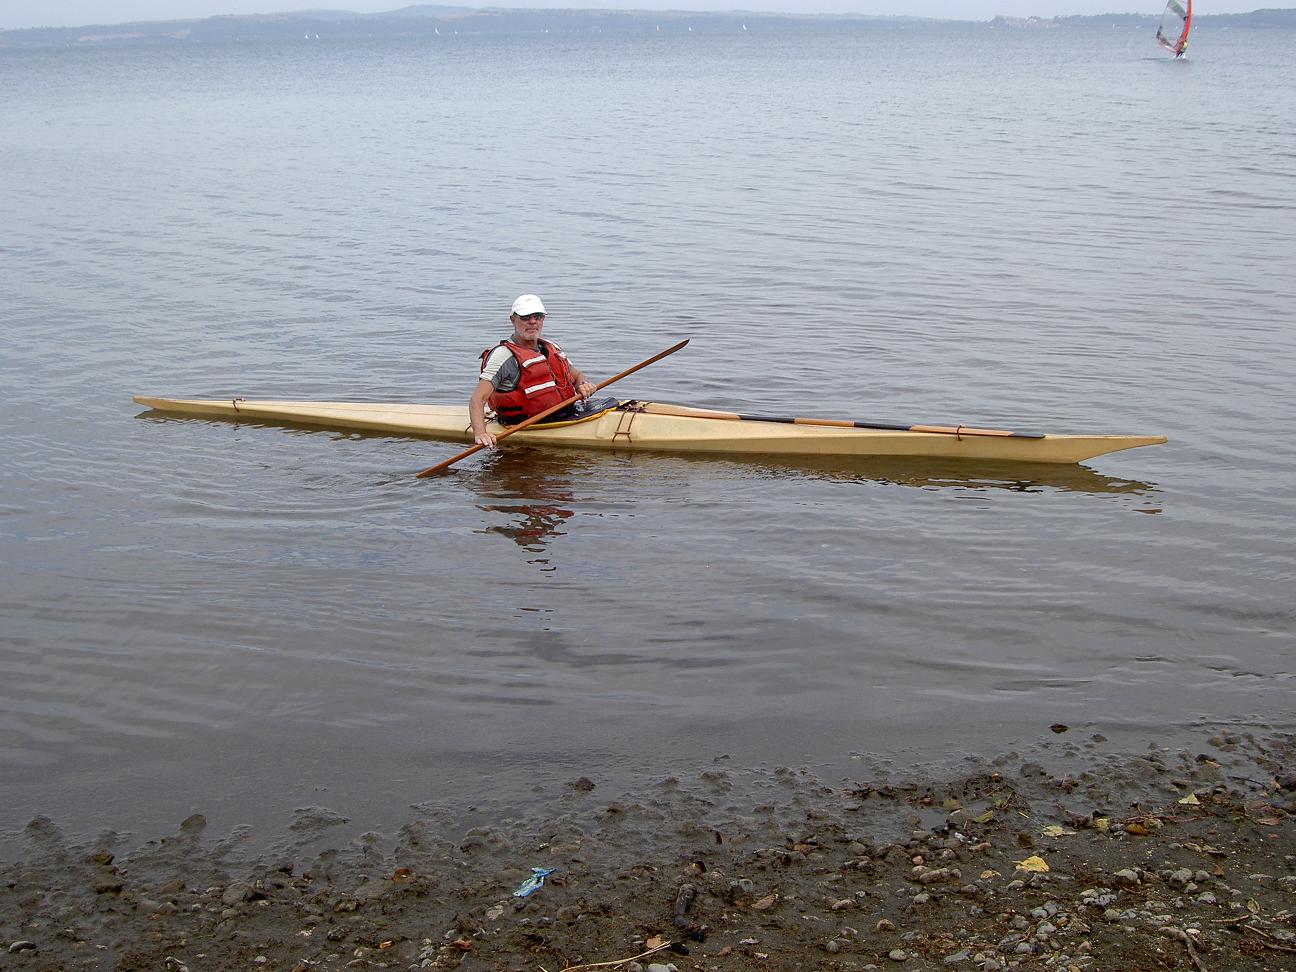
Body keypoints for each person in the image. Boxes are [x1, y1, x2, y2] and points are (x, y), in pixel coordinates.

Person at [469, 294, 598, 449]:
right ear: (512, 320)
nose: (532, 322)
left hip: (565, 415)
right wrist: (480, 433)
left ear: (543, 319)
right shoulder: (504, 356)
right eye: (525, 317)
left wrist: (583, 384)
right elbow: (477, 399)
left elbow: (577, 376)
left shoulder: (550, 347)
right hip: (528, 424)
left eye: (537, 316)